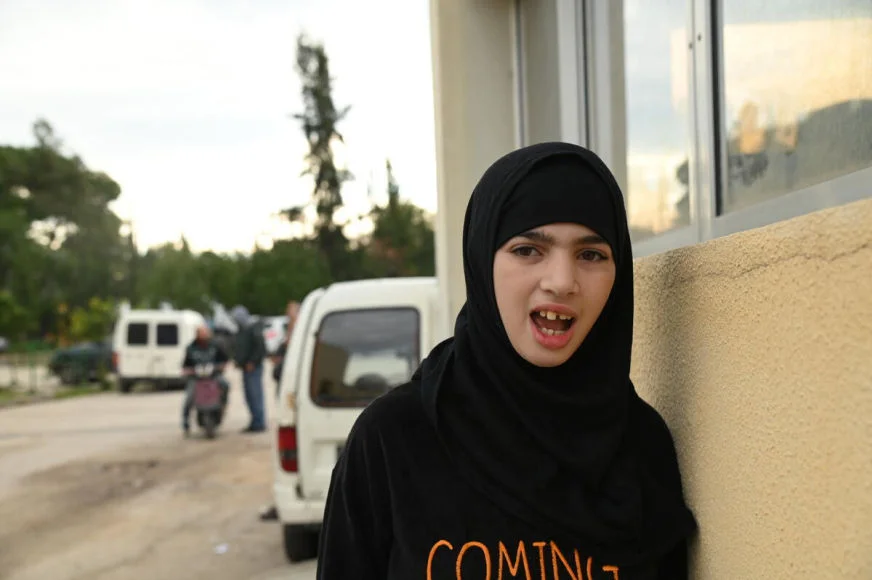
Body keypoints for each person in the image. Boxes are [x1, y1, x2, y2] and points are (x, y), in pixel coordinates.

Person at [316, 142, 697, 578]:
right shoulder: (394, 438)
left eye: (590, 255)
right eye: (528, 250)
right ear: (482, 261)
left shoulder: (641, 446)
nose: (561, 281)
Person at [181, 325, 230, 436]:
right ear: (197, 334)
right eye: (201, 333)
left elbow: (224, 359)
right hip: (196, 378)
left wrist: (221, 366)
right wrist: (187, 371)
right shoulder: (191, 348)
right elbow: (185, 365)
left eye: (205, 333)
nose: (204, 335)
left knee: (225, 385)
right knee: (189, 397)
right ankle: (185, 422)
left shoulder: (215, 346)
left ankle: (223, 405)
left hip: (213, 376)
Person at [230, 305, 267, 433]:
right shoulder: (241, 329)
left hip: (253, 368)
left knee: (255, 395)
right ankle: (254, 421)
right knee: (249, 396)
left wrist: (253, 361)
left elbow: (260, 347)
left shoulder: (253, 328)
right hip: (245, 368)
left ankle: (259, 422)